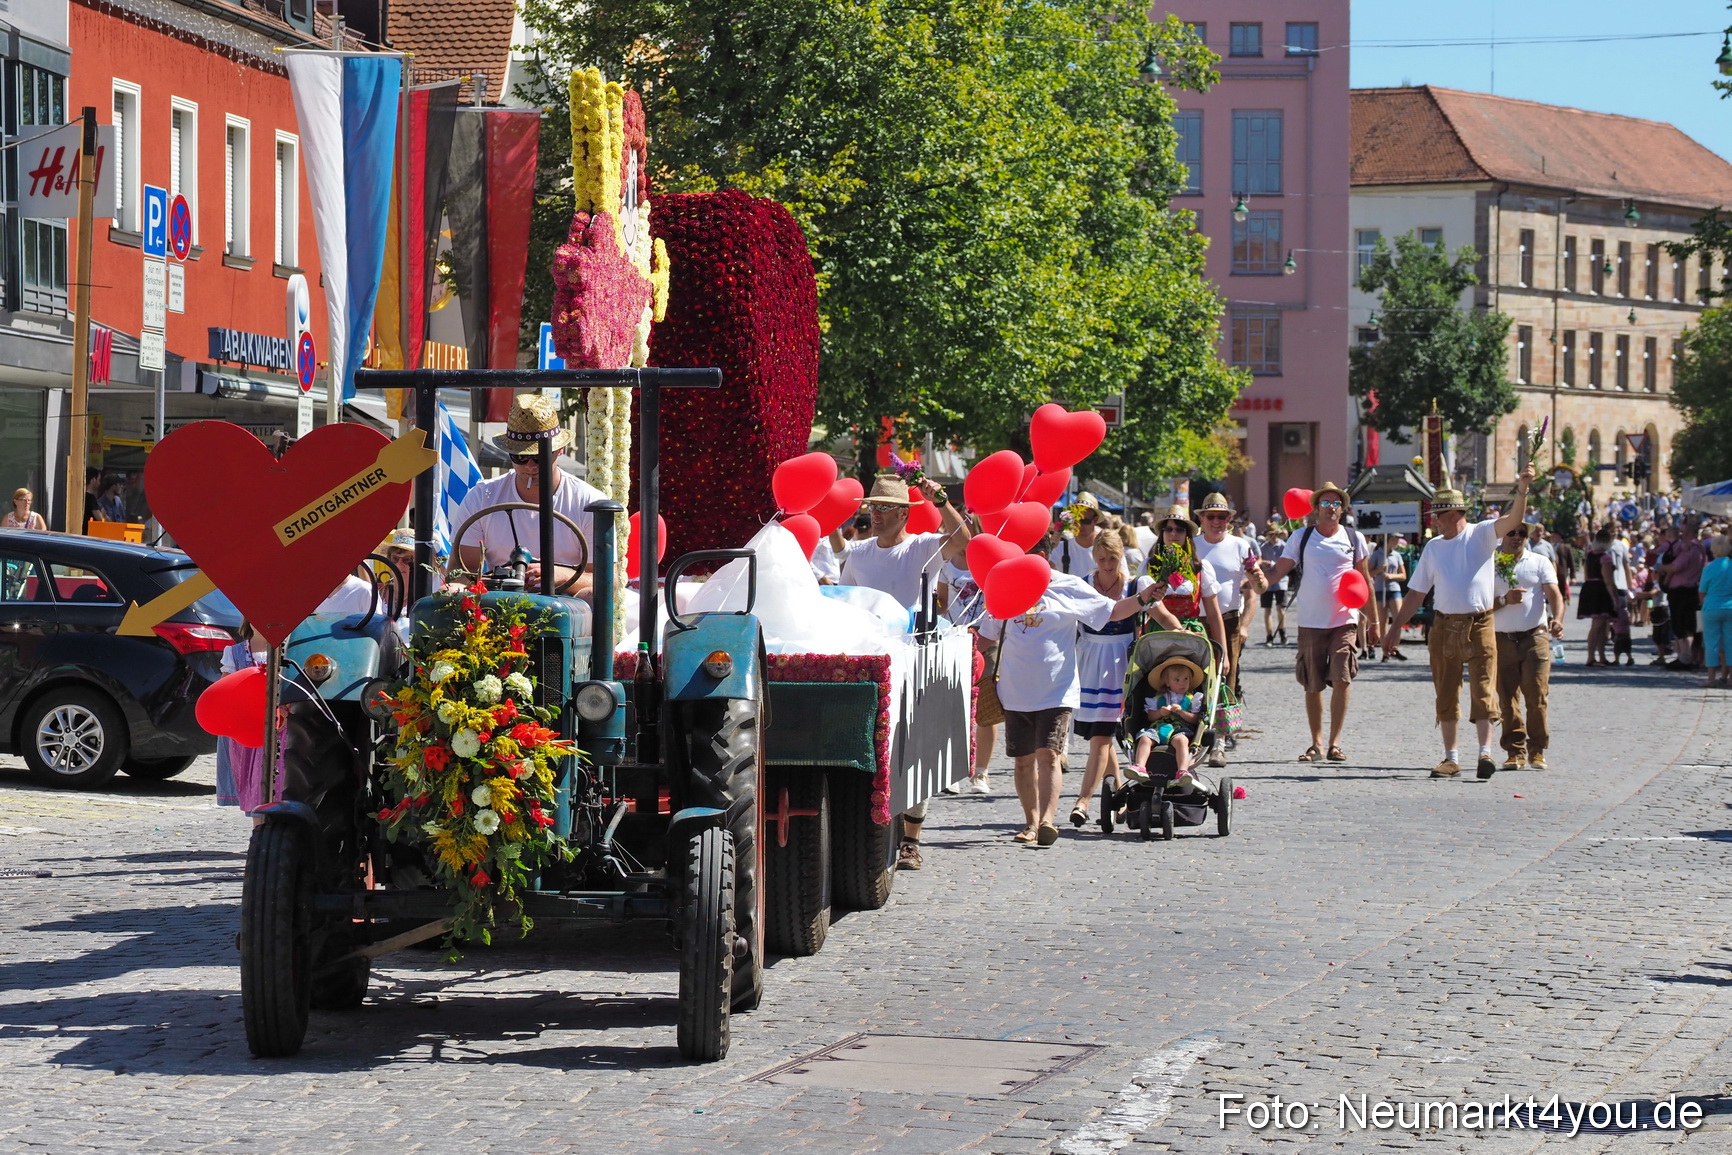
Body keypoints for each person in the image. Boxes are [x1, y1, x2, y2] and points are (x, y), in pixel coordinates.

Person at [977, 562, 1177, 848]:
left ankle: (1046, 820)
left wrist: (1144, 597)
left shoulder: (1067, 586)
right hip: (1014, 690)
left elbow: (1112, 612)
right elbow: (987, 636)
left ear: (1043, 557)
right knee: (1023, 761)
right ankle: (1030, 823)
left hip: (1057, 691)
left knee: (1049, 755)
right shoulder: (1007, 584)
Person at [830, 473, 970, 869]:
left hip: (915, 653)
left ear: (904, 514)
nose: (875, 514)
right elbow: (846, 602)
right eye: (872, 507)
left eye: (884, 507)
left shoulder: (924, 547)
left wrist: (940, 500)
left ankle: (911, 840)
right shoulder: (858, 554)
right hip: (872, 657)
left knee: (913, 747)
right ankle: (869, 830)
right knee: (872, 745)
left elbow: (964, 542)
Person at [1383, 462, 1535, 780]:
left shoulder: (1480, 534)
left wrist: (1522, 488)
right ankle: (1451, 758)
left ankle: (1485, 754)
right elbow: (1416, 593)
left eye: (1438, 516)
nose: (1436, 523)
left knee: (1482, 689)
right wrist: (1395, 626)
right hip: (1443, 625)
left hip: (1480, 623)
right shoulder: (1433, 548)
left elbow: (1514, 519)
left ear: (1453, 514)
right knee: (1446, 690)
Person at [1267, 483, 1381, 764]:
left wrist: (1375, 621)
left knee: (1342, 678)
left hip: (1345, 618)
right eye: (1326, 502)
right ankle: (1316, 744)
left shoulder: (1354, 538)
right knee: (1313, 683)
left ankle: (1335, 743)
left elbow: (1365, 580)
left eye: (1336, 503)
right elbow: (1279, 570)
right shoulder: (1301, 537)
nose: (1331, 507)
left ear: (1342, 509)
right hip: (1310, 619)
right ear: (1316, 508)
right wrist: (1254, 580)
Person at [453, 394, 607, 598]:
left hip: (566, 611)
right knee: (449, 593)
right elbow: (458, 574)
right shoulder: (482, 497)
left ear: (560, 450)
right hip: (498, 607)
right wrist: (496, 580)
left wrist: (562, 576)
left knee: (589, 594)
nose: (531, 467)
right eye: (520, 457)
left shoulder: (588, 501)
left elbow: (606, 581)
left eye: (539, 457)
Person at [1068, 533, 1156, 825]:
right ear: (1095, 558)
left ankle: (1083, 800)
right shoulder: (1083, 583)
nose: (1107, 564)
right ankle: (1119, 794)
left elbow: (1161, 612)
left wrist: (1183, 631)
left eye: (1113, 558)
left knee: (1101, 735)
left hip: (1122, 660)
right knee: (1100, 734)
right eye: (1102, 558)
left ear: (1122, 556)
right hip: (1091, 660)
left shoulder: (1135, 585)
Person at [1192, 492, 1262, 765]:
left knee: (1225, 679)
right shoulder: (1192, 545)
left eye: (1222, 517)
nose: (1217, 522)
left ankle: (1219, 742)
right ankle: (1195, 736)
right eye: (1211, 517)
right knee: (1194, 677)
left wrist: (1258, 579)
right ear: (1201, 519)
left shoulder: (1241, 546)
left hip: (1230, 620)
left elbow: (1257, 587)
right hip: (1196, 621)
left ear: (1229, 520)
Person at [1492, 524, 1563, 771]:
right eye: (1511, 533)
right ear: (1502, 535)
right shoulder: (1490, 562)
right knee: (1507, 698)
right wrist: (1504, 600)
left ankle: (1537, 749)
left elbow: (1555, 595)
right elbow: (1478, 603)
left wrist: (1558, 618)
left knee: (1536, 694)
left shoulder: (1540, 561)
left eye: (1521, 533)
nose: (1517, 538)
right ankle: (1514, 751)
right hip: (1501, 639)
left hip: (1535, 637)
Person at [1145, 506, 1230, 680]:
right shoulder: (1149, 566)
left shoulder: (1200, 567)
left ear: (1187, 535)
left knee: (1195, 686)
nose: (1173, 534)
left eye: (1179, 529)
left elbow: (1213, 613)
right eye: (1168, 529)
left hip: (1192, 633)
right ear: (1161, 533)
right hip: (1157, 633)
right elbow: (1142, 607)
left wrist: (1224, 652)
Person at [1124, 658, 1205, 792]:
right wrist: (1160, 712)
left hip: (1180, 728)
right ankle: (1140, 767)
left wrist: (1182, 712)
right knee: (1144, 739)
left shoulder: (1193, 698)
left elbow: (1194, 719)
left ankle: (1182, 771)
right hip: (1158, 726)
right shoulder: (1158, 698)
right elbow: (1150, 716)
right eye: (1177, 680)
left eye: (1186, 679)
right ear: (1167, 682)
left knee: (1182, 741)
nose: (1182, 683)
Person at [1658, 521, 1705, 671]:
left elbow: (1675, 567)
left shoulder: (1689, 549)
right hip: (1693, 589)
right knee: (1691, 626)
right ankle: (1689, 657)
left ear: (1688, 533)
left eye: (1683, 532)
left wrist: (1662, 568)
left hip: (1681, 591)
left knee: (1682, 626)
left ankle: (1685, 658)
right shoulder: (1700, 547)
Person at [1576, 529, 1619, 666]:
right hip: (1600, 590)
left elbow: (1587, 575)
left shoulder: (1589, 555)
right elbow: (1608, 581)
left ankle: (1601, 656)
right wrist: (1614, 598)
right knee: (1597, 625)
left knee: (1601, 625)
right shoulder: (1605, 558)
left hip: (1589, 588)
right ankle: (1591, 657)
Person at [1698, 534, 1732, 688]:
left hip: (1711, 606)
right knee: (1730, 642)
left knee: (1711, 643)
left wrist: (1705, 604)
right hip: (1730, 606)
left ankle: (1711, 677)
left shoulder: (1709, 568)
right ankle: (1730, 678)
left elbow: (1702, 591)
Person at [1048, 492, 1102, 578]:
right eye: (1076, 521)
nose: (1080, 526)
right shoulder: (1061, 548)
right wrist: (1051, 548)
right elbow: (1045, 572)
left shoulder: (1105, 550)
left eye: (1085, 521)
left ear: (1095, 520)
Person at [1258, 527, 1289, 646]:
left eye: (1275, 534)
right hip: (1267, 580)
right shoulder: (1263, 547)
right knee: (1267, 609)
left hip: (1281, 581)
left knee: (1281, 608)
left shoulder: (1284, 546)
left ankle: (1283, 633)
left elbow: (1289, 563)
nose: (1273, 537)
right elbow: (1258, 562)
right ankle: (1269, 636)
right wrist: (1263, 563)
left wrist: (1275, 565)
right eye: (1270, 534)